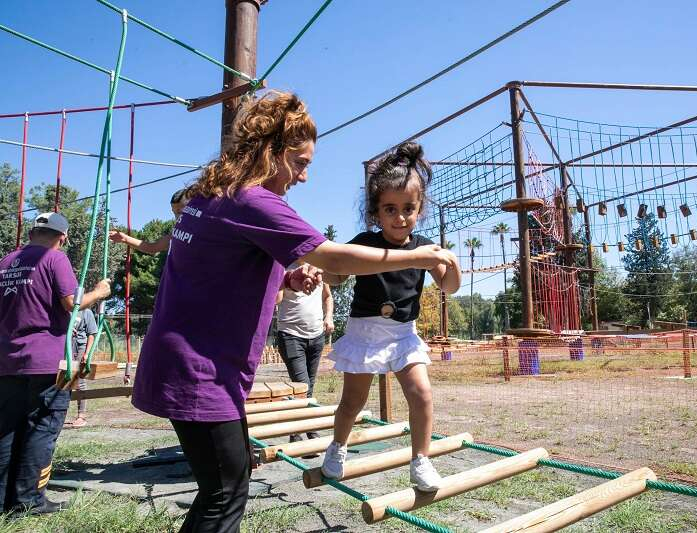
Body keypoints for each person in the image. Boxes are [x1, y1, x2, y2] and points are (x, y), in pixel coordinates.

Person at [130, 91, 458, 533]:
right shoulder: (254, 200)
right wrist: (418, 257)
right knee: (224, 493)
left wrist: (284, 280)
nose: (304, 176)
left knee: (228, 479)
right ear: (271, 153)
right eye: (300, 162)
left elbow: (215, 269)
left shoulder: (213, 195)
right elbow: (335, 259)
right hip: (199, 369)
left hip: (189, 360)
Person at [321, 142, 461, 492]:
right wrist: (322, 272)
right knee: (353, 401)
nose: (400, 217)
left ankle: (421, 460)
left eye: (408, 209)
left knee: (422, 394)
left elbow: (449, 286)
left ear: (419, 209)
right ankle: (337, 447)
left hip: (403, 334)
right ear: (376, 212)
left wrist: (453, 263)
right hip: (365, 331)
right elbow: (337, 275)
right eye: (390, 209)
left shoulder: (425, 247)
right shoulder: (364, 242)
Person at [0, 212, 111, 515]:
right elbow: (71, 303)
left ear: (33, 231)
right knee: (42, 429)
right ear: (62, 237)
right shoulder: (54, 259)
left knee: (7, 430)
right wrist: (100, 292)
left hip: (7, 362)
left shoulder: (7, 262)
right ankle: (29, 501)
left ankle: (3, 498)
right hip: (48, 363)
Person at [275, 262, 334, 446]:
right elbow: (275, 300)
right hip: (290, 336)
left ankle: (298, 432)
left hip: (316, 336)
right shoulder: (283, 266)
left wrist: (329, 317)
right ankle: (308, 432)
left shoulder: (318, 268)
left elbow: (328, 296)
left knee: (308, 386)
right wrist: (285, 279)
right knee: (303, 385)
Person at [108, 188, 188, 254]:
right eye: (174, 213)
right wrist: (124, 238)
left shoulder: (199, 230)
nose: (177, 217)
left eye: (180, 212)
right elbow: (153, 248)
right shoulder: (178, 233)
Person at [64, 308, 98, 428]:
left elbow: (92, 334)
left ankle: (81, 416)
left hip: (80, 348)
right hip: (65, 347)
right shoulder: (63, 308)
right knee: (64, 381)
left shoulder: (86, 312)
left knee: (79, 381)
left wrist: (87, 353)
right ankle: (61, 413)